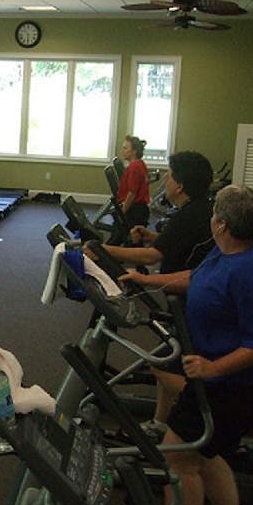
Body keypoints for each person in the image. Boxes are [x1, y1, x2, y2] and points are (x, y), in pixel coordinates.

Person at [120, 185, 253, 505]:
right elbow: (196, 277)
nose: (211, 218)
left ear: (222, 224)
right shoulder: (227, 252)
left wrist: (213, 367)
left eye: (214, 214)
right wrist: (146, 280)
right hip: (224, 381)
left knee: (178, 457)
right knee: (205, 454)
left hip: (242, 387)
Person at [92, 150, 214, 439]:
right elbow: (176, 244)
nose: (166, 181)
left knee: (164, 368)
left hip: (195, 303)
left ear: (180, 185)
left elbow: (151, 257)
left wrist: (104, 249)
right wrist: (153, 236)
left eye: (170, 176)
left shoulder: (188, 216)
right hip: (187, 300)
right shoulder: (199, 210)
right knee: (166, 358)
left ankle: (206, 411)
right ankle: (160, 422)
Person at [116, 135, 150, 228]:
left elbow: (132, 193)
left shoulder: (134, 168)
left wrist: (122, 212)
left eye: (125, 148)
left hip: (135, 210)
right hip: (140, 209)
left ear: (134, 151)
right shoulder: (140, 164)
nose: (123, 151)